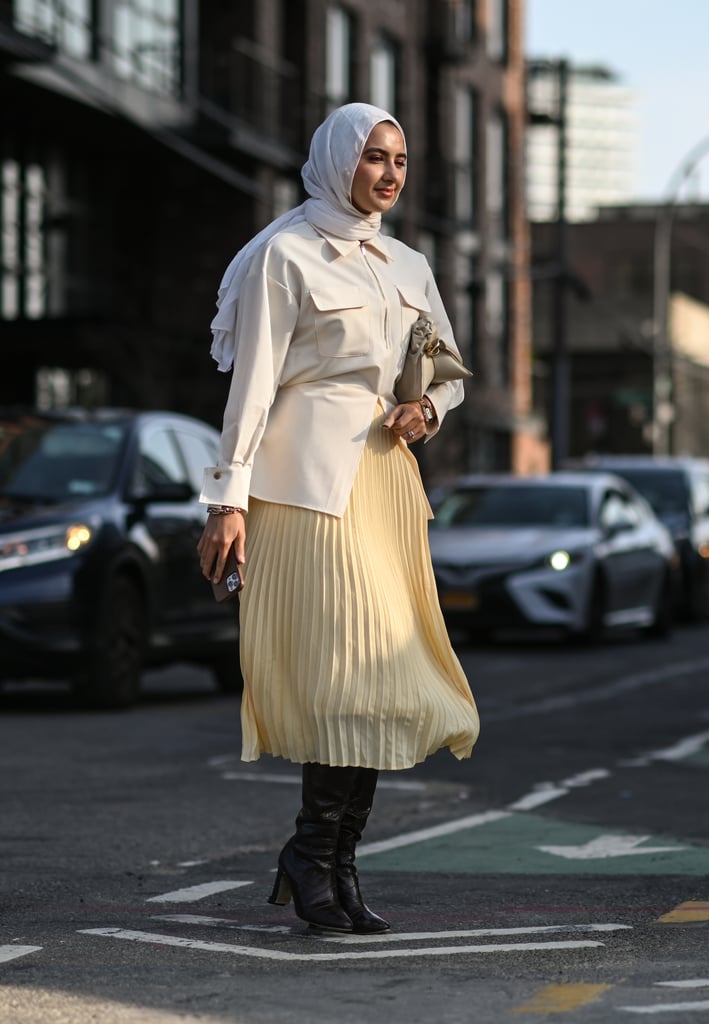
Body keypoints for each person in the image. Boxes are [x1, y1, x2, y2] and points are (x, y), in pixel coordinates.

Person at [197, 102, 480, 936]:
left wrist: (426, 408)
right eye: (372, 158)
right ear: (334, 161)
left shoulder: (406, 263)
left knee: (383, 685)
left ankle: (331, 862)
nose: (388, 175)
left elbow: (451, 371)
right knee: (347, 680)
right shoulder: (283, 255)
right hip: (306, 485)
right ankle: (313, 856)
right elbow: (251, 386)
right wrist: (226, 500)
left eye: (398, 160)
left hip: (385, 482)